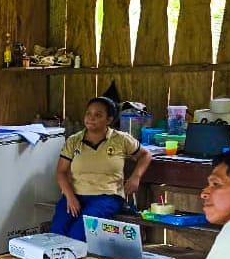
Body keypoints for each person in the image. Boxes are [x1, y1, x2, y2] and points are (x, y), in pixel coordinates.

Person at [51, 97, 153, 242]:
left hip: (107, 197)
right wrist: (70, 197)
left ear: (109, 120)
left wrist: (136, 177)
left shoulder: (121, 139)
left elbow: (145, 155)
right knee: (57, 234)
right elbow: (61, 172)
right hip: (74, 195)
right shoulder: (74, 141)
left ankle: (80, 257)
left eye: (98, 115)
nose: (91, 118)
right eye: (88, 113)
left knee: (78, 235)